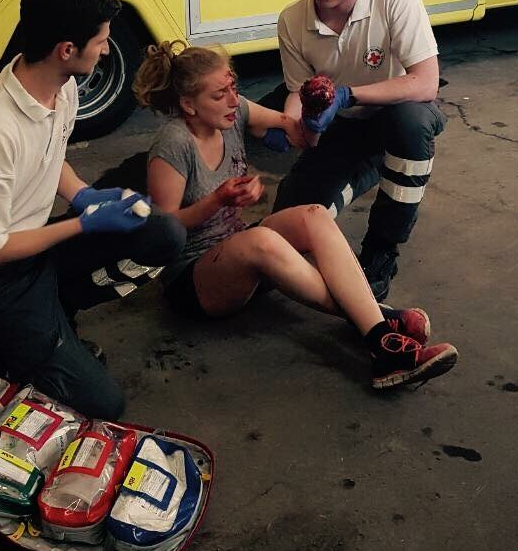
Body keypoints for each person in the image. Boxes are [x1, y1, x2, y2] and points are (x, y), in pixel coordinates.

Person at [0, 0, 186, 420]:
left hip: (35, 246)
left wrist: (83, 195)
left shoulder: (61, 88)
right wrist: (81, 224)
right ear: (67, 49)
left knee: (163, 234)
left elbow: (50, 156)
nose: (106, 48)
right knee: (103, 404)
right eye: (101, 40)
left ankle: (53, 311)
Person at [135, 42, 457, 389]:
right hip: (194, 281)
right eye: (218, 95)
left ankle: (378, 331)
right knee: (261, 239)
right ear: (188, 104)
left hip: (237, 254)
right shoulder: (173, 145)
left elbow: (295, 128)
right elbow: (162, 233)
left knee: (313, 215)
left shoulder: (235, 112)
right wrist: (217, 201)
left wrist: (318, 110)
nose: (232, 100)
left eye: (233, 88)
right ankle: (382, 331)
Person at [263, 0, 446, 301]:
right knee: (287, 229)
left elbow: (426, 83)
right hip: (342, 130)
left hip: (393, 117)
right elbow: (298, 94)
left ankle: (381, 248)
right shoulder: (293, 20)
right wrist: (298, 125)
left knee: (411, 123)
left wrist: (347, 94)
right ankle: (372, 167)